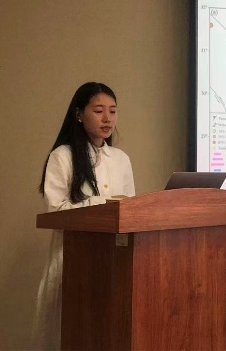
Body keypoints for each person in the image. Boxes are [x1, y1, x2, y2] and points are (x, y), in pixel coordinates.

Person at [33, 82, 135, 350]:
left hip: (114, 258)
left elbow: (129, 209)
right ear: (79, 114)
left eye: (113, 111)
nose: (107, 118)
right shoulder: (63, 156)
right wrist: (104, 203)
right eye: (99, 111)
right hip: (74, 257)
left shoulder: (121, 159)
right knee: (71, 333)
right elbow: (56, 211)